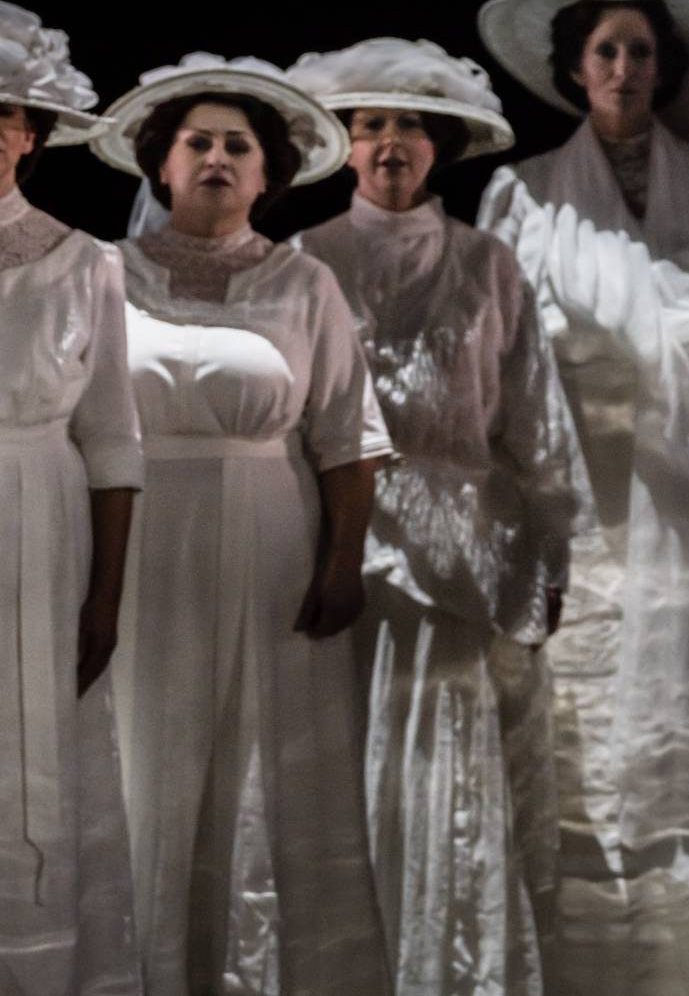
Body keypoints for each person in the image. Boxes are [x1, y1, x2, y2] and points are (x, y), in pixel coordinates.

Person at [476, 0, 689, 995]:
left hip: (684, 498)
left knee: (678, 723)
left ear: (661, 70)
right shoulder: (522, 194)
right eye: (604, 50)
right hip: (569, 492)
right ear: (577, 69)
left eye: (638, 51)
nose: (622, 68)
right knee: (571, 720)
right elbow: (494, 356)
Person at [287, 37, 593, 996]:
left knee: (447, 781)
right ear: (342, 143)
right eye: (369, 124)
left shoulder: (489, 262)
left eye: (408, 125)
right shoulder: (306, 261)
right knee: (338, 764)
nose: (387, 144)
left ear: (438, 143)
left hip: (466, 556)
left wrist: (553, 548)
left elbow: (535, 418)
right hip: (333, 548)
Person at [91, 54, 393, 993]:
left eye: (238, 145)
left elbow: (349, 436)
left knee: (257, 762)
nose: (217, 156)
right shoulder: (103, 274)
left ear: (268, 173)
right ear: (161, 165)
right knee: (140, 754)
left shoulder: (305, 286)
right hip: (132, 542)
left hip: (268, 544)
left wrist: (343, 562)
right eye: (198, 142)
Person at [0, 2, 141, 995]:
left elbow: (113, 439)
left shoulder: (85, 262)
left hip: (38, 522)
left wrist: (106, 595)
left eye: (3, 115)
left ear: (32, 135)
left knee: (29, 743)